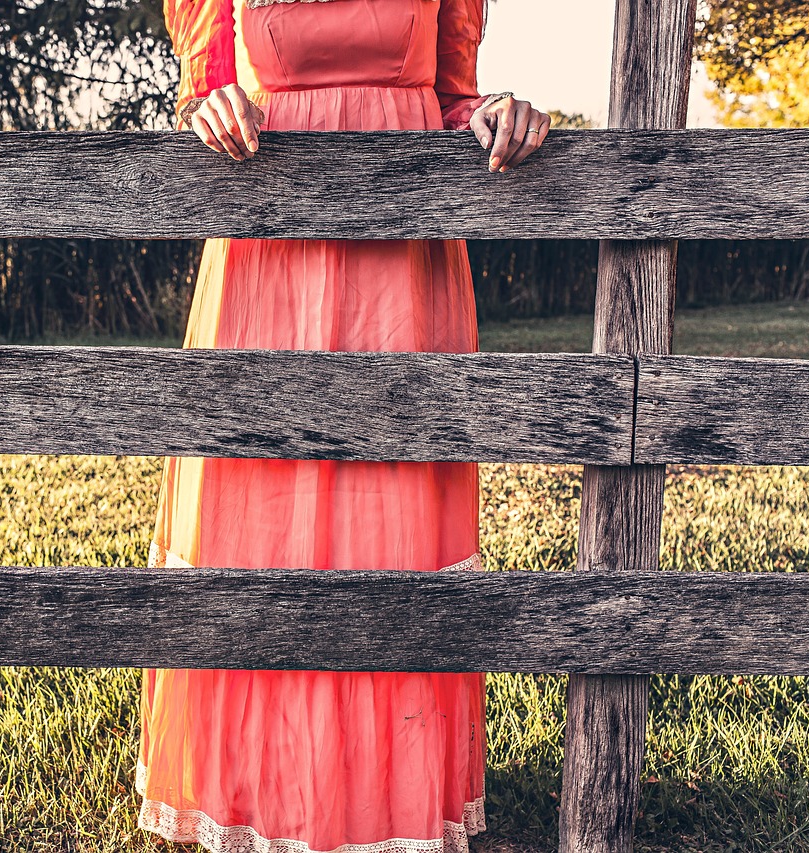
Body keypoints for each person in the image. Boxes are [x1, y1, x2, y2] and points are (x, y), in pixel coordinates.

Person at [136, 1, 549, 850]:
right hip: (267, 265)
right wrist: (211, 109)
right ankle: (258, 794)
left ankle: (382, 805)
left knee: (386, 524)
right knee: (258, 525)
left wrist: (495, 116)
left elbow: (453, 101)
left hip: (396, 272)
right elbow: (204, 92)